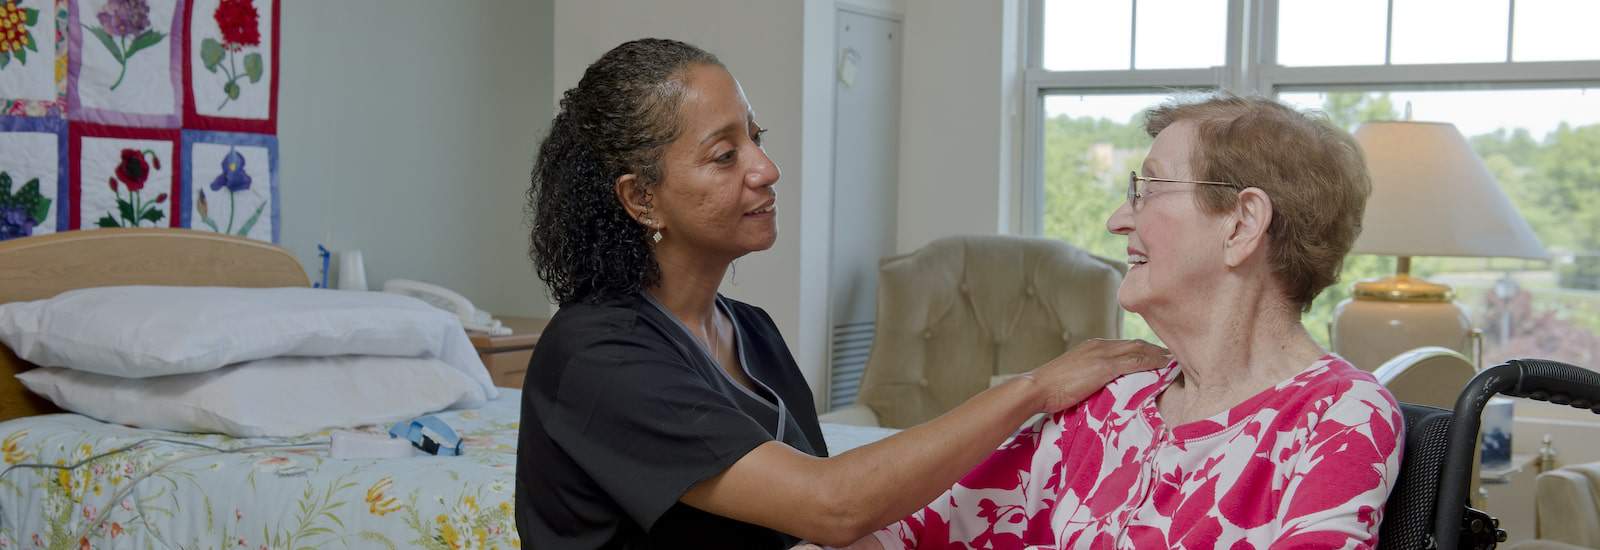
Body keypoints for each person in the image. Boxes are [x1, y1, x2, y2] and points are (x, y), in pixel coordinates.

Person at [515, 38, 1168, 549]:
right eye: (724, 155)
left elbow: (822, 531)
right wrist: (1033, 389)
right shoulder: (594, 356)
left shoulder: (753, 332)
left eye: (756, 139)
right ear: (640, 197)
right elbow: (830, 505)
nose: (766, 169)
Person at [853, 95, 1403, 549]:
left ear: (1241, 224)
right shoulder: (1110, 402)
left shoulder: (1339, 417)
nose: (1118, 220)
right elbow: (893, 535)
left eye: (1148, 190)